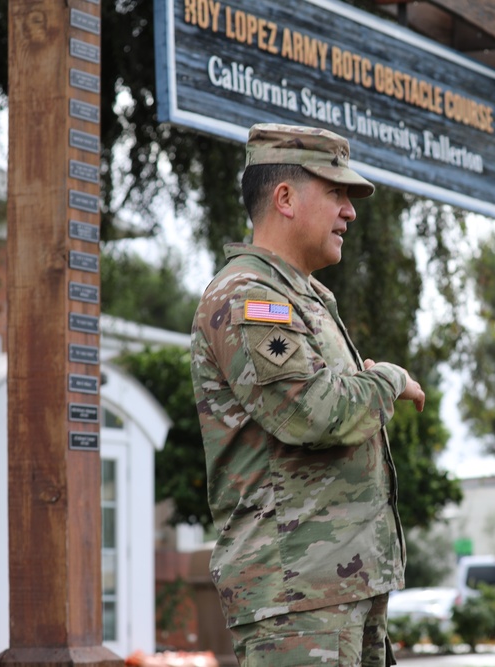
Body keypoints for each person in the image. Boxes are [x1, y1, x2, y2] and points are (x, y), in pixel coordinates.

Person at [190, 123, 425, 667]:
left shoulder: (303, 296)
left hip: (335, 588)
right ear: (285, 198)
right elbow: (314, 413)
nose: (350, 212)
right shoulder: (249, 298)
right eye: (336, 192)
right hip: (295, 598)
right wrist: (388, 380)